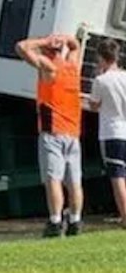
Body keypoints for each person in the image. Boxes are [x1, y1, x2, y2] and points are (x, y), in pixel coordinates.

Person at [16, 34, 84, 237]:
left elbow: (21, 47)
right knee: (74, 182)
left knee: (53, 179)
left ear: (46, 53)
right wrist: (65, 39)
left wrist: (45, 41)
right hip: (73, 132)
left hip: (52, 130)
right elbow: (75, 46)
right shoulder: (73, 68)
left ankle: (55, 221)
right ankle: (75, 220)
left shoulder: (49, 68)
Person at [88, 39, 126, 227]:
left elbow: (94, 106)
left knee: (117, 175)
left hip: (112, 131)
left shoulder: (101, 80)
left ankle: (125, 216)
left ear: (101, 58)